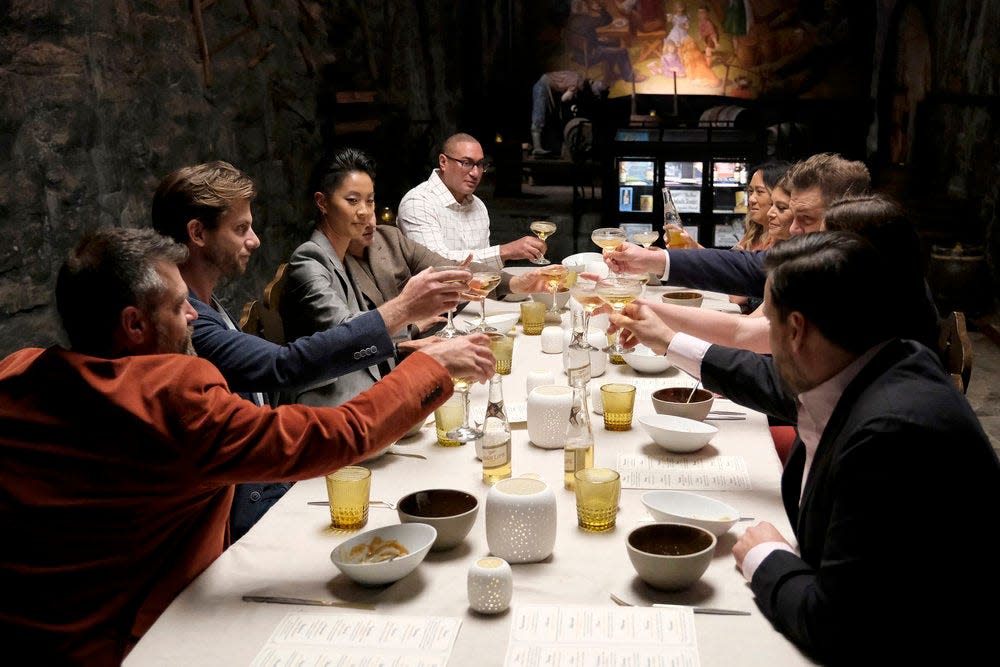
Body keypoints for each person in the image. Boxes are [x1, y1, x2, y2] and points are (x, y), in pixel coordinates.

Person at [0, 227, 495, 664]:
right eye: (178, 306)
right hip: (133, 643)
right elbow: (338, 434)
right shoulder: (169, 397)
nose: (195, 315)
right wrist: (431, 370)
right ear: (134, 324)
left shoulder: (17, 371)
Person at [610, 232, 999, 663]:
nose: (763, 340)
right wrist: (665, 339)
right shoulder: (879, 362)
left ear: (795, 330)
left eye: (769, 322)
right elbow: (768, 384)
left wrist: (764, 555)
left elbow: (836, 627)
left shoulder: (890, 437)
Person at [151, 160, 467, 540]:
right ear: (197, 233)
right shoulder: (187, 324)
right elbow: (284, 365)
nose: (255, 240)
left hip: (273, 478)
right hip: (250, 512)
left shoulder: (206, 304)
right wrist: (403, 314)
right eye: (241, 229)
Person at [606, 152, 870, 298]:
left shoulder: (858, 280)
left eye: (806, 219)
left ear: (845, 219)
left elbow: (750, 330)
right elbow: (740, 267)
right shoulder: (817, 257)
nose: (792, 229)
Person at [397, 133, 547, 268]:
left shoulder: (478, 206)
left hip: (475, 295)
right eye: (466, 163)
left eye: (480, 164)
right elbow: (434, 264)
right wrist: (504, 251)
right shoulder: (418, 202)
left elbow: (484, 271)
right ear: (443, 162)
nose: (475, 173)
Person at [529, 71, 606, 157]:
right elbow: (564, 99)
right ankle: (537, 148)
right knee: (539, 117)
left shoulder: (578, 77)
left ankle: (540, 147)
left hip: (544, 85)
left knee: (545, 118)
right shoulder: (577, 83)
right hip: (542, 86)